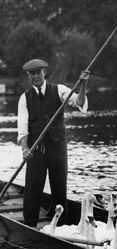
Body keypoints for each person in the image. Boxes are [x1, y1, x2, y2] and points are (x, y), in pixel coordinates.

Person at [17, 58, 89, 227]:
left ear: (44, 73)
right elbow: (23, 128)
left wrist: (83, 84)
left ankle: (61, 227)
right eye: (32, 74)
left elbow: (79, 102)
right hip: (37, 150)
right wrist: (25, 149)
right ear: (28, 76)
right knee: (33, 188)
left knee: (59, 188)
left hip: (58, 148)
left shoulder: (60, 90)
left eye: (38, 73)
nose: (35, 77)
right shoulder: (24, 99)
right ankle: (30, 225)